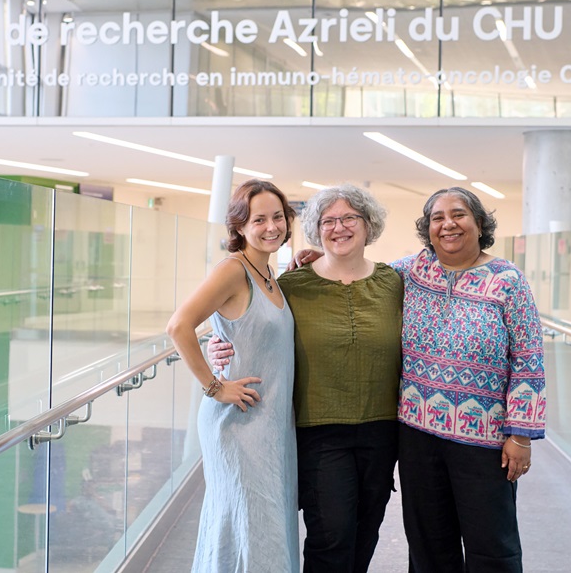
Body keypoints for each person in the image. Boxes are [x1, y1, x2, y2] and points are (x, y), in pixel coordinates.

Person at [209, 184, 402, 572]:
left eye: (350, 218)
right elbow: (251, 322)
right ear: (316, 229)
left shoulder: (395, 282)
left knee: (367, 532)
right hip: (319, 432)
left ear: (368, 226)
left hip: (382, 432)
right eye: (329, 220)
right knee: (331, 536)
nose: (340, 227)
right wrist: (219, 350)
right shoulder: (293, 285)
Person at [394, 186, 545, 573]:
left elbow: (528, 360)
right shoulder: (408, 272)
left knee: (492, 545)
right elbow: (354, 281)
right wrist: (311, 261)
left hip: (486, 441)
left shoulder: (507, 280)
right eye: (437, 218)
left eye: (458, 214)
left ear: (479, 223)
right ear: (427, 229)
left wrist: (521, 435)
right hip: (417, 435)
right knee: (428, 544)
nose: (448, 224)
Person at [165, 179, 299, 573]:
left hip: (270, 424)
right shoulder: (233, 270)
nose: (271, 226)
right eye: (259, 219)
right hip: (239, 423)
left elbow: (249, 330)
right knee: (249, 526)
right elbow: (178, 326)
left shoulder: (268, 274)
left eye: (278, 217)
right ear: (239, 226)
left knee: (263, 527)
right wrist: (214, 386)